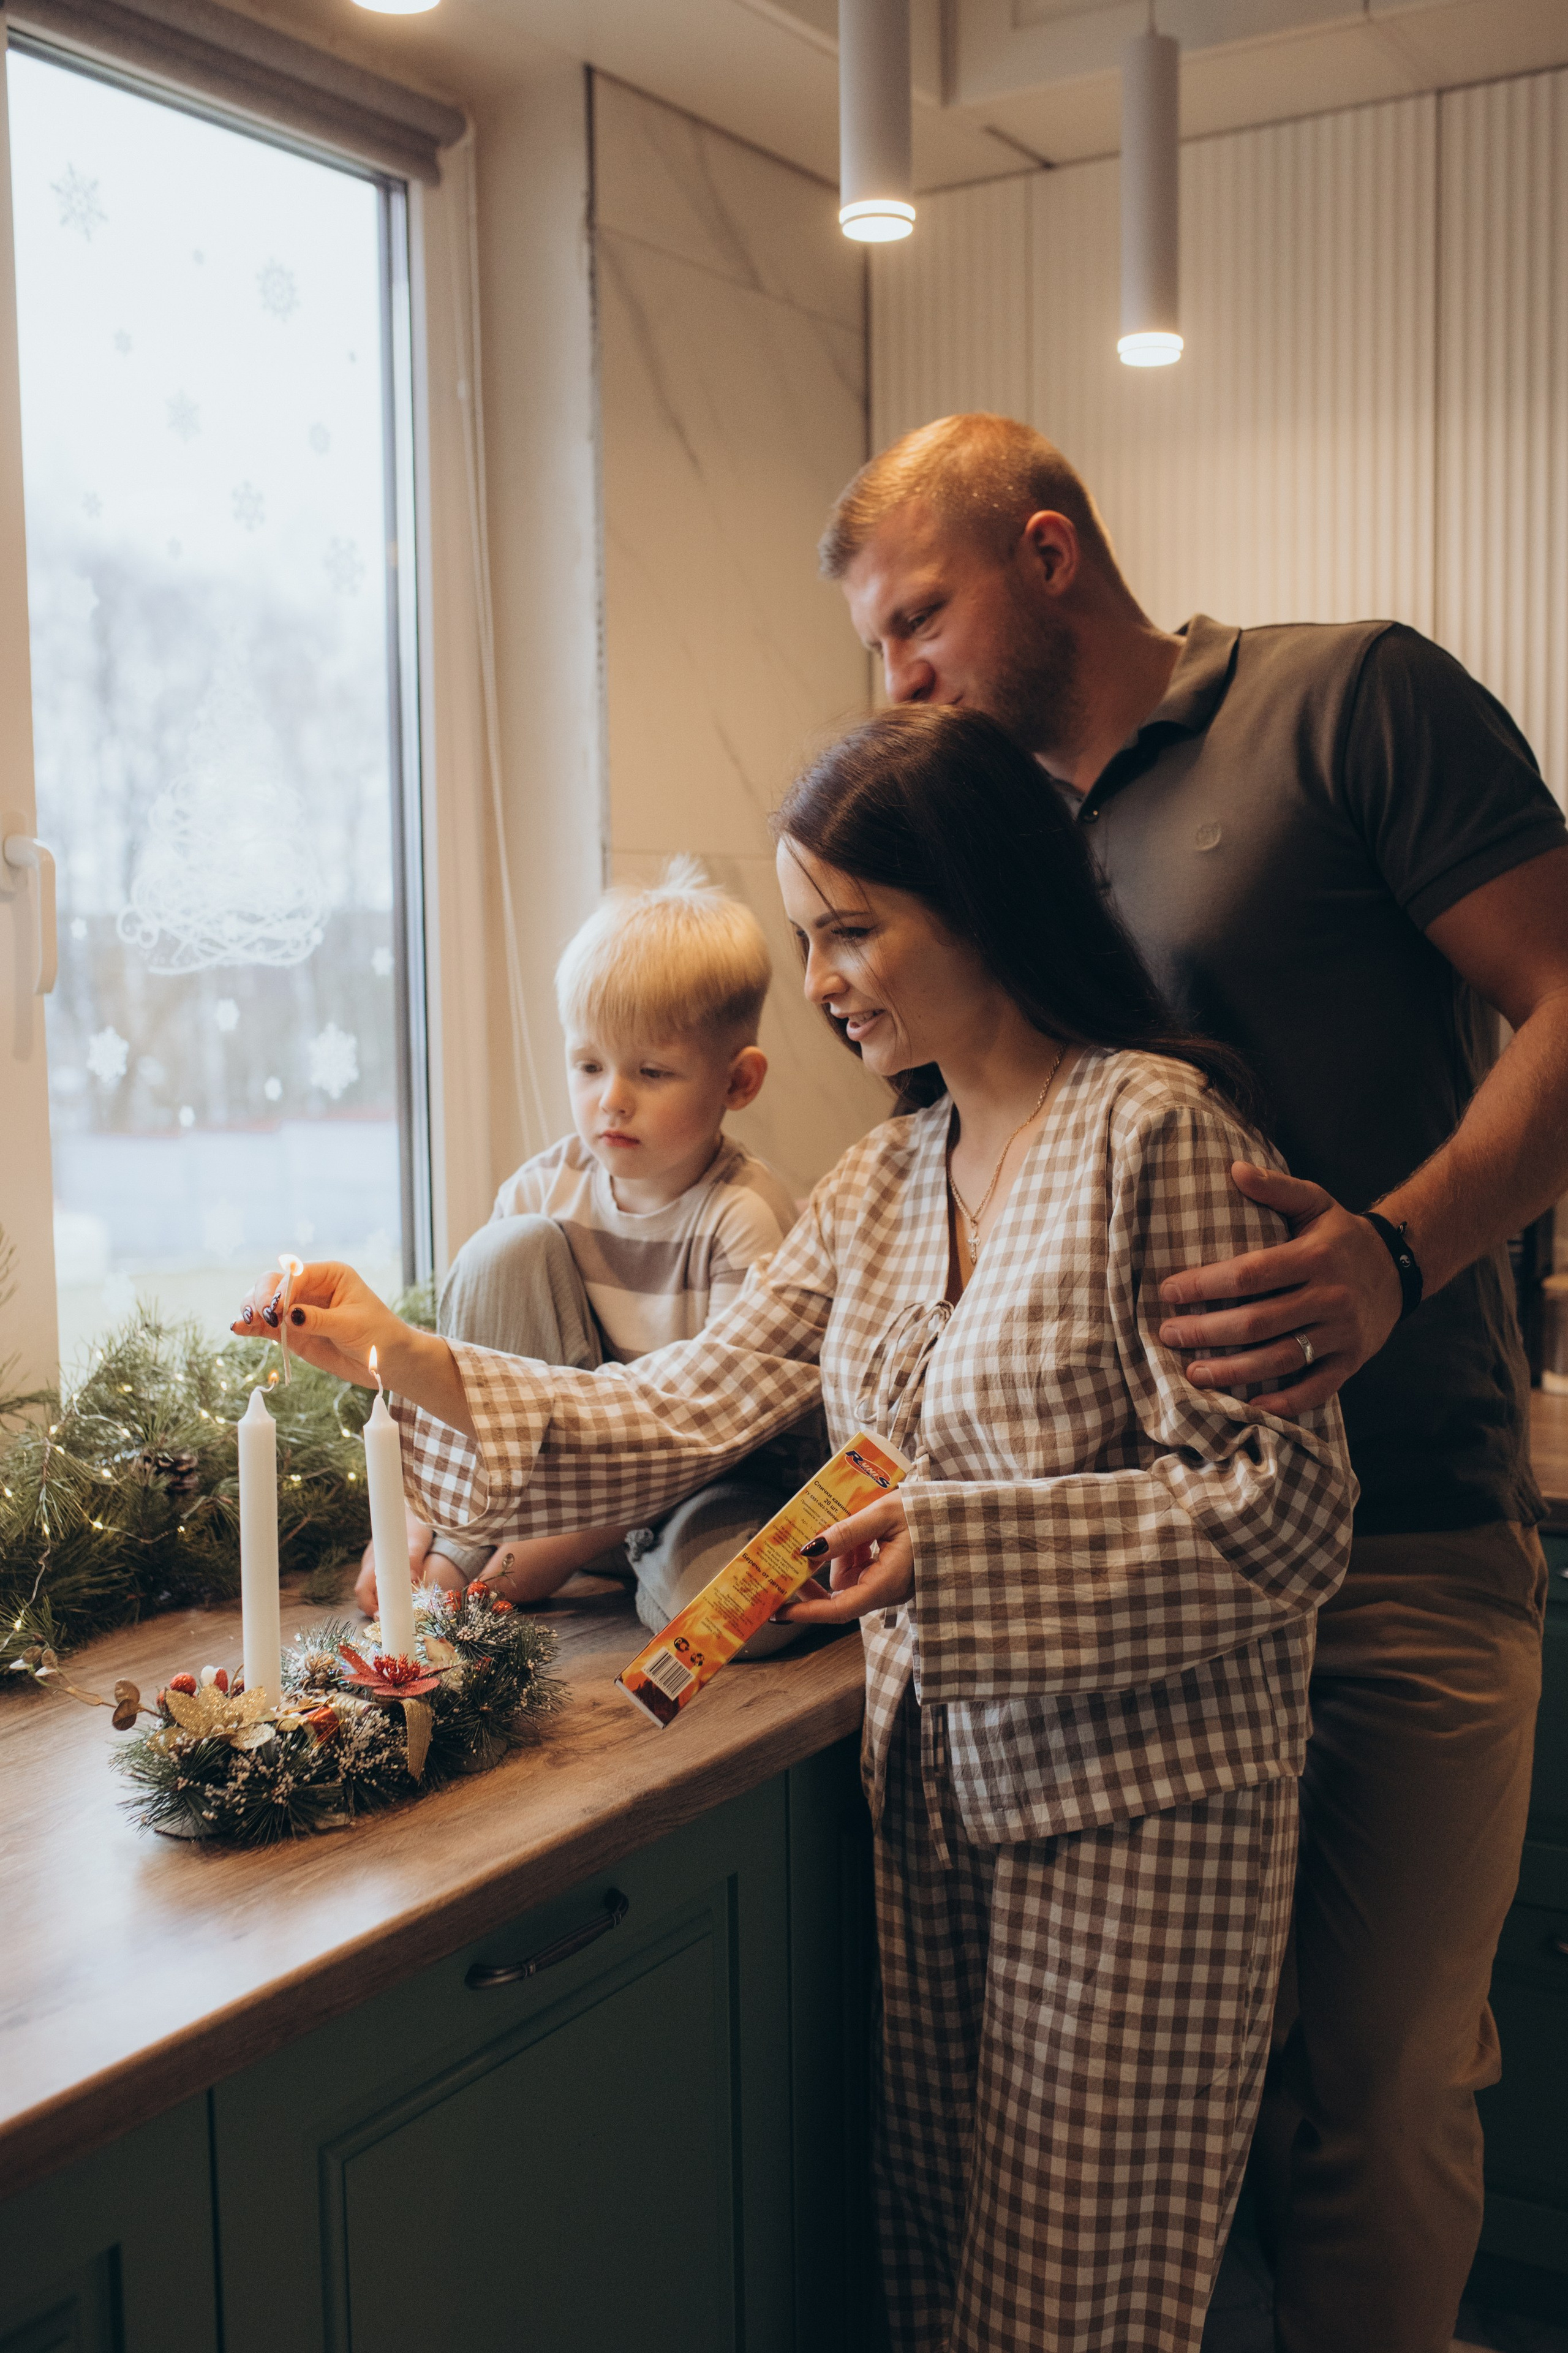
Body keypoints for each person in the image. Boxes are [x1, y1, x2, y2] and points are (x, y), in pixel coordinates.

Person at [244, 705, 1356, 2353]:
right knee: (939, 2269)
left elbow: (1284, 1509)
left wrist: (955, 1550)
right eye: (808, 933)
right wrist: (396, 1353)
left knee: (1074, 2306)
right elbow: (676, 1404)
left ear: (977, 901)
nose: (822, 978)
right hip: (936, 1796)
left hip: (1142, 1819)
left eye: (850, 929)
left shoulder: (1156, 1134)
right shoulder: (884, 1178)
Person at [818, 412, 1568, 2353]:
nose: (898, 676)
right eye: (877, 647)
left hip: (1395, 1539)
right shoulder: (987, 850)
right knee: (1152, 2158)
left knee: (1377, 2092)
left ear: (1047, 550)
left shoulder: (1346, 704)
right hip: (1125, 1614)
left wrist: (1396, 1248)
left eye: (917, 619)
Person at [348, 858, 802, 1642]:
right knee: (503, 1250)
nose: (611, 1099)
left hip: (703, 1481)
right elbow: (466, 1380)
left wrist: (548, 1555)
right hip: (559, 1477)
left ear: (738, 1082)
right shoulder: (541, 1189)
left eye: (652, 1071)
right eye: (589, 1065)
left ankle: (608, 1558)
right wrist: (413, 1521)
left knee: (740, 1615)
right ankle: (485, 1541)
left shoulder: (743, 1216)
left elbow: (714, 1439)